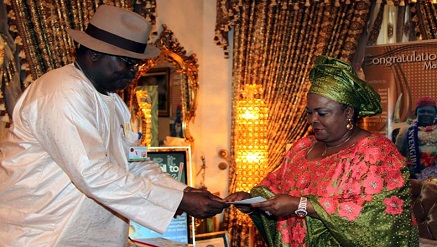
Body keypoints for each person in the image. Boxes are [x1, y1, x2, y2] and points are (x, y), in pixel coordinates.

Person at [0, 5, 228, 246]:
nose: (133, 73)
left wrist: (182, 192)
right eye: (128, 63)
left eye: (136, 65)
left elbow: (133, 162)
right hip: (43, 234)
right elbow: (93, 173)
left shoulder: (112, 101)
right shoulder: (61, 92)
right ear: (95, 53)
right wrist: (177, 201)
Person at [226, 56, 418, 246]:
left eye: (322, 113)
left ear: (348, 113)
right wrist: (252, 201)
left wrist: (301, 205)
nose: (313, 120)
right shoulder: (301, 148)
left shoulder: (376, 152)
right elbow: (276, 189)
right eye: (309, 113)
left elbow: (377, 218)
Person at [395, 96, 437, 180]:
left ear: (435, 114)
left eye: (429, 112)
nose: (426, 114)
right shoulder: (406, 131)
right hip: (415, 175)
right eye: (422, 111)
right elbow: (398, 154)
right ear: (416, 113)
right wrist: (407, 165)